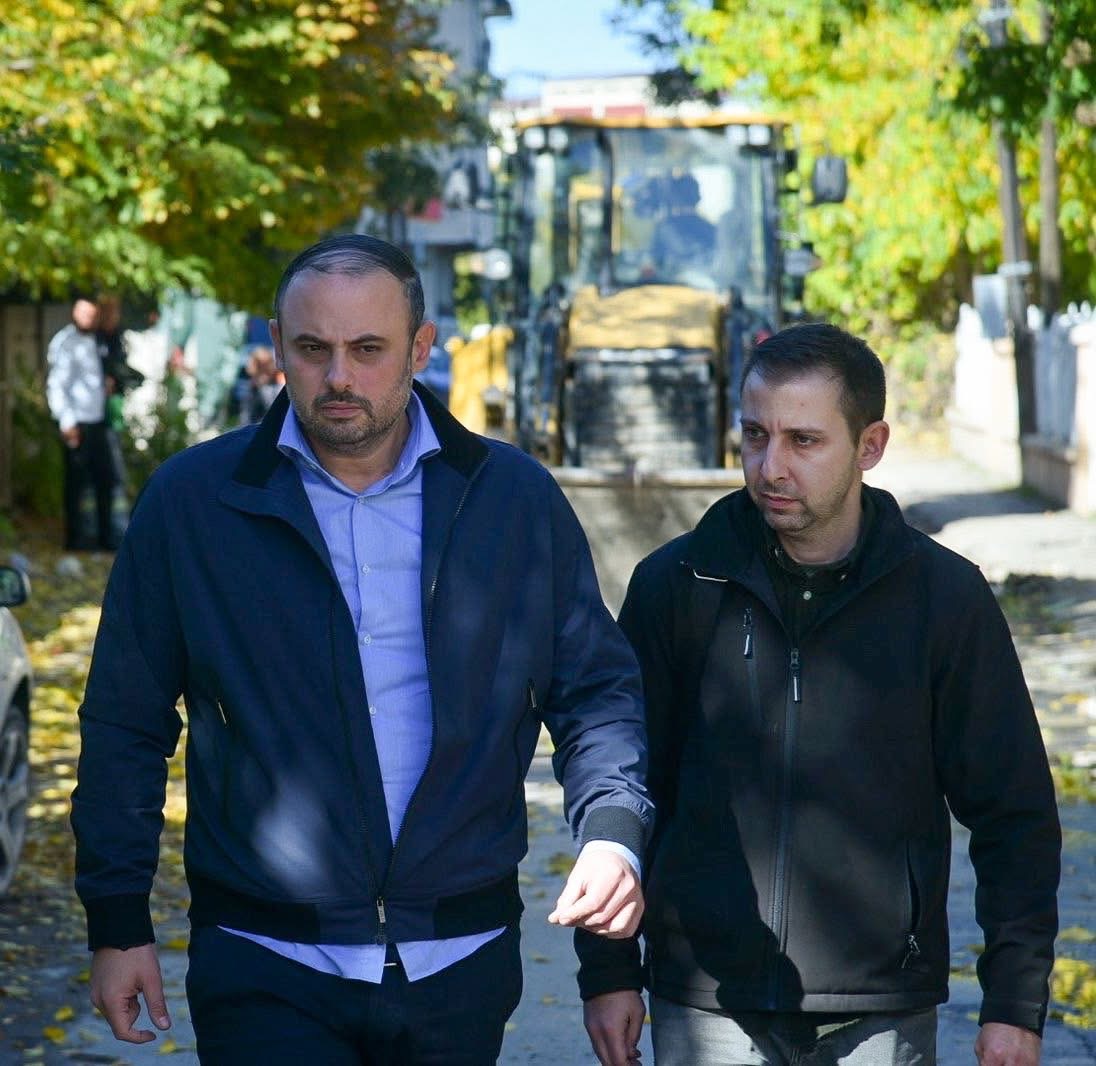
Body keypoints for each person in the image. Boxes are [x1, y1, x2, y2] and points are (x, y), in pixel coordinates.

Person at [71, 234, 651, 1065]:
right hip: (265, 958)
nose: (339, 376)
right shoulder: (193, 505)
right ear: (278, 345)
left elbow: (594, 693)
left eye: (368, 349)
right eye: (314, 349)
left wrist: (611, 834)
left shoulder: (513, 499)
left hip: (458, 961)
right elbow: (125, 721)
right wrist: (118, 920)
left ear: (421, 348)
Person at [578, 322, 1061, 1066]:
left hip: (881, 1009)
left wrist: (1015, 1004)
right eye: (755, 435)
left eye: (803, 441)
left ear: (870, 446)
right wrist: (609, 972)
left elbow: (1014, 811)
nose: (771, 466)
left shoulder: (944, 598)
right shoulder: (677, 585)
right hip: (708, 1002)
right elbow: (622, 779)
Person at [46, 296, 121, 551]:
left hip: (98, 420)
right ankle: (75, 539)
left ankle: (105, 536)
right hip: (77, 421)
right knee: (76, 484)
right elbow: (57, 385)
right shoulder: (66, 342)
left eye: (92, 314)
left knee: (105, 480)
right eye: (84, 313)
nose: (89, 319)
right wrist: (66, 422)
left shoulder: (99, 340)